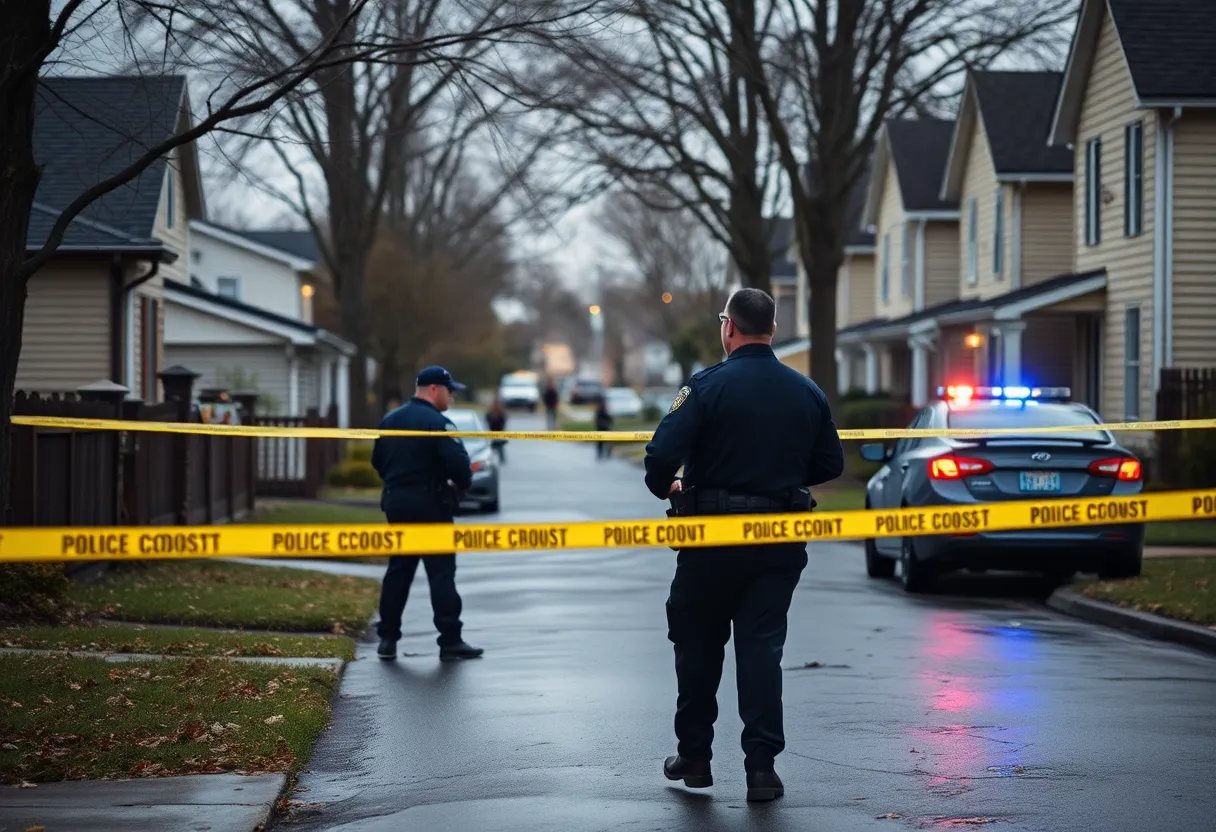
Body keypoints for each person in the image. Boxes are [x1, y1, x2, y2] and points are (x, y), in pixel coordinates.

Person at [642, 287, 844, 802]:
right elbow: (830, 464)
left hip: (711, 539)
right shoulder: (806, 390)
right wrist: (780, 475)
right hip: (779, 539)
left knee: (697, 646)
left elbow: (660, 457)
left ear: (728, 326)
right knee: (761, 649)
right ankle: (761, 769)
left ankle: (694, 756)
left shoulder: (706, 386)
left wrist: (668, 486)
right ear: (772, 329)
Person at [371, 366, 485, 662]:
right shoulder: (439, 423)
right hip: (431, 504)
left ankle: (387, 639)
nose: (452, 397)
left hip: (396, 503)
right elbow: (460, 468)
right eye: (450, 391)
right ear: (434, 389)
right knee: (441, 573)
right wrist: (459, 484)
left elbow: (377, 461)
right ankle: (450, 641)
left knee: (399, 570)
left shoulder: (390, 420)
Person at [486, 397, 507, 464]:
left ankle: (501, 460)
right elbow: (488, 422)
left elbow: (503, 424)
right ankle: (493, 460)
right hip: (492, 433)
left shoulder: (501, 413)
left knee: (500, 448)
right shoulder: (490, 413)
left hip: (499, 433)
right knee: (492, 448)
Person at [594, 394, 614, 459]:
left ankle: (601, 453)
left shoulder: (598, 408)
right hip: (604, 427)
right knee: (607, 440)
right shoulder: (603, 408)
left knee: (600, 442)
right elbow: (608, 417)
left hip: (600, 427)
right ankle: (607, 453)